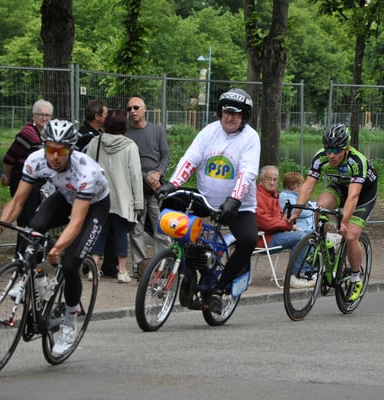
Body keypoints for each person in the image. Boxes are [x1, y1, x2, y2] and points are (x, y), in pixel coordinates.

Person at [0, 119, 110, 356]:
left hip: (93, 206)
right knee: (34, 228)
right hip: (66, 196)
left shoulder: (85, 171)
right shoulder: (35, 160)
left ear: (71, 150)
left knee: (70, 264)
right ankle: (36, 277)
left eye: (61, 151)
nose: (55, 156)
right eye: (50, 149)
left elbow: (76, 222)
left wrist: (57, 248)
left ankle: (70, 321)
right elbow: (17, 201)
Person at [156, 88, 260, 314]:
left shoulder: (251, 138)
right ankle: (188, 269)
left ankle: (219, 289)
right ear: (220, 112)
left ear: (244, 117)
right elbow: (190, 160)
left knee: (249, 240)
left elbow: (248, 172)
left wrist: (234, 199)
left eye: (236, 114)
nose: (230, 118)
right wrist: (173, 184)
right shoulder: (209, 132)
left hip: (237, 205)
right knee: (173, 213)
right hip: (205, 199)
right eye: (226, 112)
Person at [290, 123, 378, 301]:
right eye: (328, 149)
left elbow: (353, 196)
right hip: (339, 187)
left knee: (350, 236)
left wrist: (343, 221)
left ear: (346, 148)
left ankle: (355, 278)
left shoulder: (357, 161)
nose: (331, 155)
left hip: (362, 195)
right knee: (320, 206)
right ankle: (323, 243)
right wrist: (295, 214)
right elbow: (307, 187)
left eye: (336, 150)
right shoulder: (320, 158)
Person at [86, 110, 144, 283]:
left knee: (98, 232)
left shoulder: (95, 142)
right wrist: (138, 202)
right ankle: (122, 271)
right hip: (123, 199)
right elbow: (135, 175)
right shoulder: (130, 146)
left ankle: (93, 269)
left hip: (100, 197)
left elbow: (87, 168)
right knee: (120, 234)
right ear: (124, 126)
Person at [125, 97, 171, 276]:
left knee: (161, 226)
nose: (132, 111)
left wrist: (158, 173)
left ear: (145, 109)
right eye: (129, 109)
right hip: (135, 186)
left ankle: (164, 266)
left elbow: (165, 155)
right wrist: (147, 177)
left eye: (136, 107)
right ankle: (140, 268)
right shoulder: (125, 134)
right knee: (136, 228)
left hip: (156, 186)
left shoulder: (157, 131)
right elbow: (127, 163)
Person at [1, 99, 53, 254]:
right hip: (22, 179)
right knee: (27, 220)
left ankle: (26, 254)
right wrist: (7, 177)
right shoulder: (28, 134)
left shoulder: (45, 134)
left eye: (47, 115)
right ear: (34, 115)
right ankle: (24, 255)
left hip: (37, 182)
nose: (44, 118)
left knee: (30, 219)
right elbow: (9, 159)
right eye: (41, 114)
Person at [256, 166, 310, 288]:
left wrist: (288, 223)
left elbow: (279, 217)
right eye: (269, 179)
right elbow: (265, 223)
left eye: (275, 179)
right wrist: (288, 225)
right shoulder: (258, 196)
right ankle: (294, 276)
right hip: (263, 239)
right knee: (301, 238)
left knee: (309, 236)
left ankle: (309, 272)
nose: (272, 182)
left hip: (274, 234)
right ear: (261, 180)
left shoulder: (273, 195)